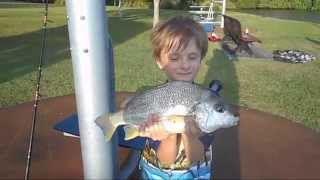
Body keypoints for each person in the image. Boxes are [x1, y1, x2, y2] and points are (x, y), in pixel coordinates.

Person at [130, 15, 213, 179]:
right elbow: (165, 160)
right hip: (155, 173)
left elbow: (195, 158)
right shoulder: (153, 101)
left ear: (201, 58)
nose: (185, 65)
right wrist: (168, 136)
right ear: (159, 61)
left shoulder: (207, 103)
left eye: (192, 57)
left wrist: (191, 136)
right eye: (175, 58)